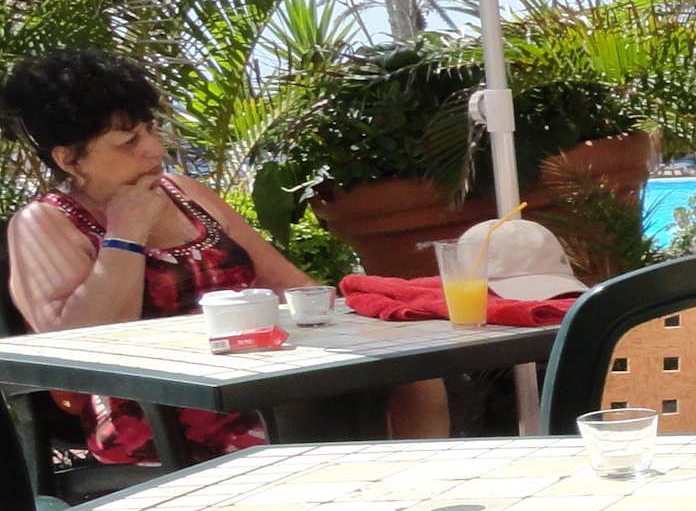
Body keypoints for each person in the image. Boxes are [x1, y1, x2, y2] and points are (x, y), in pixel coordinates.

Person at [2, 49, 447, 461]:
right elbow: (82, 348)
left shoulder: (185, 193)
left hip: (260, 381)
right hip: (160, 409)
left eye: (151, 130)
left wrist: (374, 326)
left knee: (414, 380)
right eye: (128, 141)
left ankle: (421, 487)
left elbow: (288, 284)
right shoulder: (44, 223)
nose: (155, 149)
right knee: (311, 426)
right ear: (69, 160)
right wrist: (124, 234)